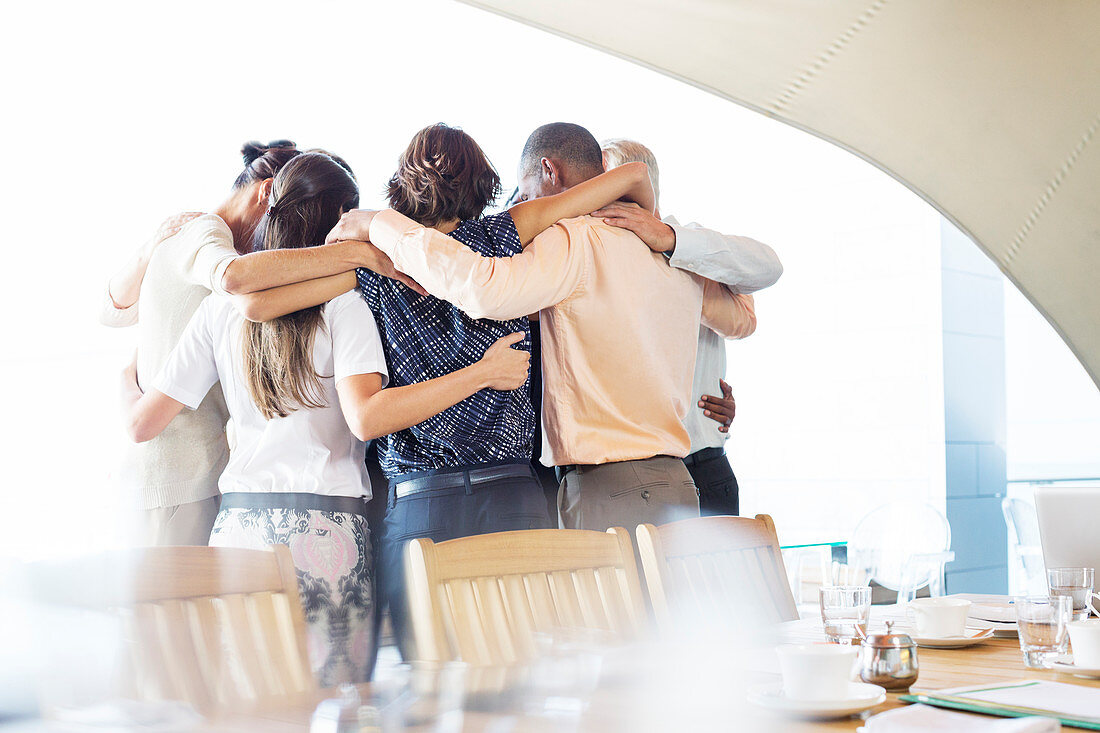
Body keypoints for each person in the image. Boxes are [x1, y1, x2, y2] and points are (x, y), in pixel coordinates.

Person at [229, 123, 659, 658]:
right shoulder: (509, 235)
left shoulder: (383, 269)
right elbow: (630, 177)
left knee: (425, 679)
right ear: (483, 182)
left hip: (420, 502)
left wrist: (363, 256)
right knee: (516, 673)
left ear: (402, 186)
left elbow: (252, 297)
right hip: (512, 496)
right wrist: (658, 230)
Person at [119, 152, 531, 685]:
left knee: (253, 705)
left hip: (238, 531)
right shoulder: (348, 304)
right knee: (337, 705)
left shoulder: (220, 311)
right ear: (340, 217)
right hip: (326, 532)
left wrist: (123, 380)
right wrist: (481, 372)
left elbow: (141, 426)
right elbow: (368, 418)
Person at [328, 122, 757, 534]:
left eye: (528, 193)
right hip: (671, 480)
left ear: (549, 170)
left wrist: (379, 226)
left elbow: (485, 289)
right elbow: (743, 314)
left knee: (609, 611)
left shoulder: (567, 242)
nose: (527, 208)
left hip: (599, 485)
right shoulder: (672, 250)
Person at [102, 140, 391, 546]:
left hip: (223, 502)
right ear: (266, 191)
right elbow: (240, 287)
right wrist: (361, 261)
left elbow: (113, 309)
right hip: (180, 482)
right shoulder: (211, 237)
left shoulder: (224, 301)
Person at [598, 138, 783, 516]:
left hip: (704, 464)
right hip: (633, 472)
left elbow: (770, 267)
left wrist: (672, 241)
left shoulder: (689, 241)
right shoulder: (595, 252)